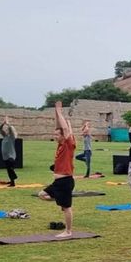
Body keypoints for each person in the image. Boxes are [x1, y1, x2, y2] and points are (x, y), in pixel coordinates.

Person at [38, 101, 76, 238]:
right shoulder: (60, 145)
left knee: (66, 208)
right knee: (42, 194)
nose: (54, 137)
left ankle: (68, 231)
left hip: (65, 181)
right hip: (57, 183)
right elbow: (59, 128)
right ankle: (61, 199)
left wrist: (60, 113)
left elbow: (64, 130)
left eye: (56, 135)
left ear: (64, 136)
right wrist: (56, 111)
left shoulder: (68, 144)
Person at [0, 116, 18, 186]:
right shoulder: (5, 137)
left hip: (11, 156)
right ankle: (12, 181)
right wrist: (3, 123)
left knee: (10, 169)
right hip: (5, 157)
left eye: (7, 130)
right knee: (8, 169)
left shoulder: (12, 137)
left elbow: (10, 129)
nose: (6, 130)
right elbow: (0, 128)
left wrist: (8, 123)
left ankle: (13, 182)